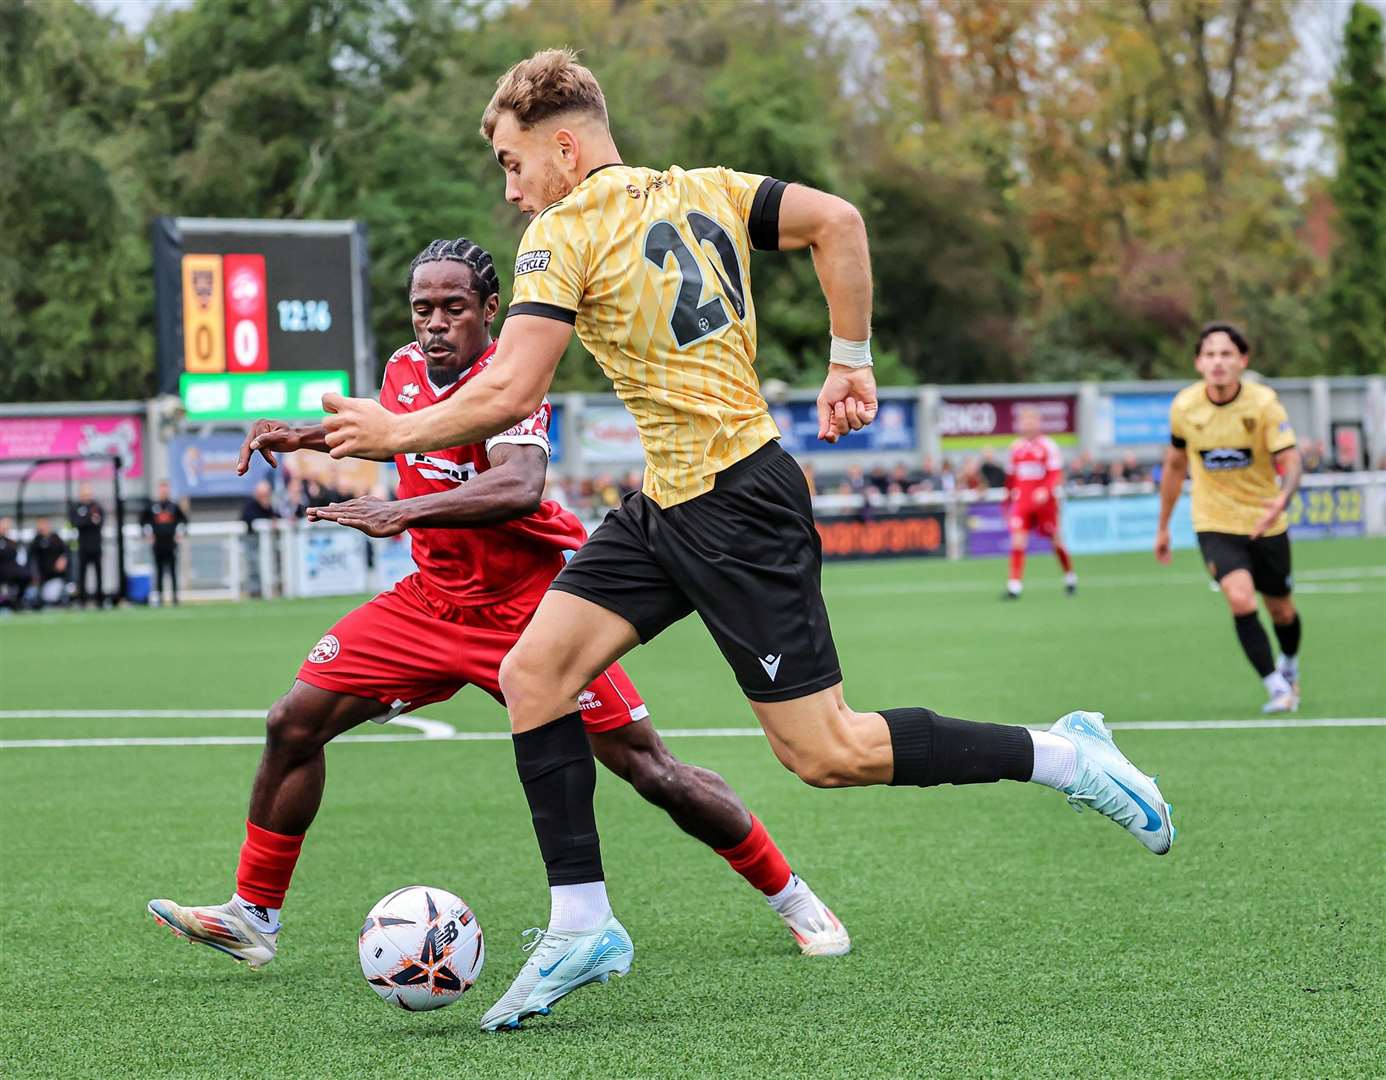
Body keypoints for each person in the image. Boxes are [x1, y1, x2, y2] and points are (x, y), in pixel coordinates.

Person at [319, 50, 1173, 1031]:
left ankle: (1063, 755)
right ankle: (583, 921)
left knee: (830, 753)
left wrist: (392, 433)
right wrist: (849, 357)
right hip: (671, 504)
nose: (511, 191)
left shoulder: (562, 232)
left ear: (564, 145)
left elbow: (509, 392)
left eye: (515, 165)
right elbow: (835, 222)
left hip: (737, 510)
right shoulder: (706, 189)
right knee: (536, 675)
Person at [147, 237, 845, 977]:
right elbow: (397, 431)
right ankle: (253, 916)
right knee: (292, 722)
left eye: (454, 307)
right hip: (429, 606)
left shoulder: (510, 383)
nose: (436, 323)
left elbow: (519, 485)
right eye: (423, 309)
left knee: (651, 770)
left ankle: (794, 898)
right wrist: (307, 437)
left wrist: (405, 516)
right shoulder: (403, 370)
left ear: (490, 311)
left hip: (533, 615)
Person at [1155, 322, 1303, 714]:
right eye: (1210, 355)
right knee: (1239, 599)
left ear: (1242, 360)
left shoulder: (1264, 404)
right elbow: (1173, 466)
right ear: (1198, 362)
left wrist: (1281, 500)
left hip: (1266, 522)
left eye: (1226, 354)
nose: (1218, 362)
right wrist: (1163, 526)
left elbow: (1290, 460)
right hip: (1214, 521)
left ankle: (1289, 664)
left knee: (1282, 611)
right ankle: (1276, 688)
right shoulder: (1185, 407)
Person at [1003, 408, 1077, 599]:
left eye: (1031, 421)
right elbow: (1011, 478)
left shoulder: (1048, 445)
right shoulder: (1016, 447)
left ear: (1038, 423)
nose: (1027, 425)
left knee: (1056, 542)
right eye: (1024, 421)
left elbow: (1055, 473)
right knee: (1018, 541)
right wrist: (1007, 501)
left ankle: (1069, 576)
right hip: (1023, 503)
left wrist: (1046, 489)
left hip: (1045, 504)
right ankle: (1014, 585)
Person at [142, 481, 187, 606]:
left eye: (165, 489)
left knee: (172, 571)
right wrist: (147, 533)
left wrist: (180, 532)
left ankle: (174, 598)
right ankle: (160, 598)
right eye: (162, 489)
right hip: (158, 544)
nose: (163, 492)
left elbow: (183, 521)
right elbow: (143, 522)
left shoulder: (173, 506)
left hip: (171, 544)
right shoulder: (152, 507)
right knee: (159, 572)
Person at [69, 482, 107, 607]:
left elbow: (100, 522)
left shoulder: (97, 507)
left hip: (96, 545)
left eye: (88, 493)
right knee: (82, 574)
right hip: (83, 546)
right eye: (84, 493)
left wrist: (87, 520)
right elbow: (76, 523)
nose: (86, 496)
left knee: (98, 573)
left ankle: (100, 600)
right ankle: (82, 601)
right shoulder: (76, 507)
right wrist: (89, 519)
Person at [26, 517, 68, 610]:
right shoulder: (36, 541)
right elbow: (31, 560)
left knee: (52, 597)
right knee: (36, 597)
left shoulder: (56, 538)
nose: (43, 527)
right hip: (41, 578)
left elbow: (66, 552)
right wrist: (34, 576)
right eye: (41, 525)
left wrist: (63, 559)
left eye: (45, 524)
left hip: (55, 576)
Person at [0, 517, 28, 611]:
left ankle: (17, 600)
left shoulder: (10, 542)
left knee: (25, 575)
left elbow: (19, 557)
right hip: (3, 570)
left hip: (12, 570)